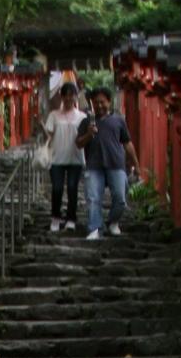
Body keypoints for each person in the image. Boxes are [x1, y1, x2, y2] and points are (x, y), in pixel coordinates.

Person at [76, 86, 140, 238]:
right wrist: (89, 134)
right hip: (94, 165)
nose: (99, 105)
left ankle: (113, 222)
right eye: (96, 102)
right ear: (92, 103)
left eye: (102, 102)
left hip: (116, 164)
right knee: (93, 198)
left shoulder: (118, 120)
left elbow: (127, 143)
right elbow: (78, 143)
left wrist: (136, 164)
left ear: (109, 102)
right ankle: (94, 228)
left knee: (120, 198)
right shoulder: (86, 122)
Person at [43, 79, 88, 232]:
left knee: (72, 188)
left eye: (72, 95)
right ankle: (55, 217)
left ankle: (71, 218)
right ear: (61, 97)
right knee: (56, 188)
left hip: (76, 158)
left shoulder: (82, 117)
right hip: (56, 158)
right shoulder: (54, 115)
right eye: (66, 95)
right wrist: (41, 128)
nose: (69, 98)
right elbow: (48, 134)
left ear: (76, 97)